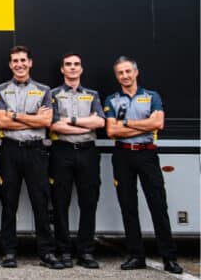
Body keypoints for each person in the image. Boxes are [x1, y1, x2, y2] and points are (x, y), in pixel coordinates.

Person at [104, 56, 183, 274]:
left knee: (158, 206)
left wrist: (126, 123)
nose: (125, 76)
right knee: (128, 206)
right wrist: (144, 125)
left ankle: (169, 258)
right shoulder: (112, 100)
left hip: (147, 155)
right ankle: (136, 255)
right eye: (120, 73)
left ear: (136, 72)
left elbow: (158, 123)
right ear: (117, 76)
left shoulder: (151, 97)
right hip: (122, 155)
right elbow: (112, 130)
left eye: (128, 71)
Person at [0, 45, 63, 269]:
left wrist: (15, 115)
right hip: (10, 150)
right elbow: (1, 122)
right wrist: (32, 118)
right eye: (15, 61)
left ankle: (47, 252)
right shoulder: (1, 89)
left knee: (40, 202)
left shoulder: (44, 90)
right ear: (10, 64)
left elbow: (46, 122)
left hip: (36, 151)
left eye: (23, 60)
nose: (19, 64)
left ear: (30, 63)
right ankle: (9, 252)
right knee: (8, 202)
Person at [48, 53, 105, 268]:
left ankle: (86, 251)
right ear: (62, 69)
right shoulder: (52, 94)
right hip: (61, 151)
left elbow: (100, 122)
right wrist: (85, 124)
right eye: (68, 64)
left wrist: (70, 120)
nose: (72, 67)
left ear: (81, 69)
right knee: (60, 202)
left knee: (88, 202)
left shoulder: (92, 95)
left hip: (88, 152)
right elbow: (54, 124)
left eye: (76, 64)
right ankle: (64, 251)